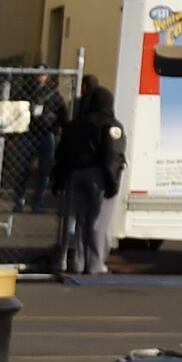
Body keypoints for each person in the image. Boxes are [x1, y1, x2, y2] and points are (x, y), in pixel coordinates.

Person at [53, 82, 126, 280]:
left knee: (81, 222)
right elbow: (112, 153)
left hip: (76, 174)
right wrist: (112, 180)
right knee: (99, 222)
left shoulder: (76, 123)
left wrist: (58, 178)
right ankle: (96, 264)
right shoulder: (110, 125)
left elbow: (62, 152)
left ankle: (78, 263)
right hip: (98, 176)